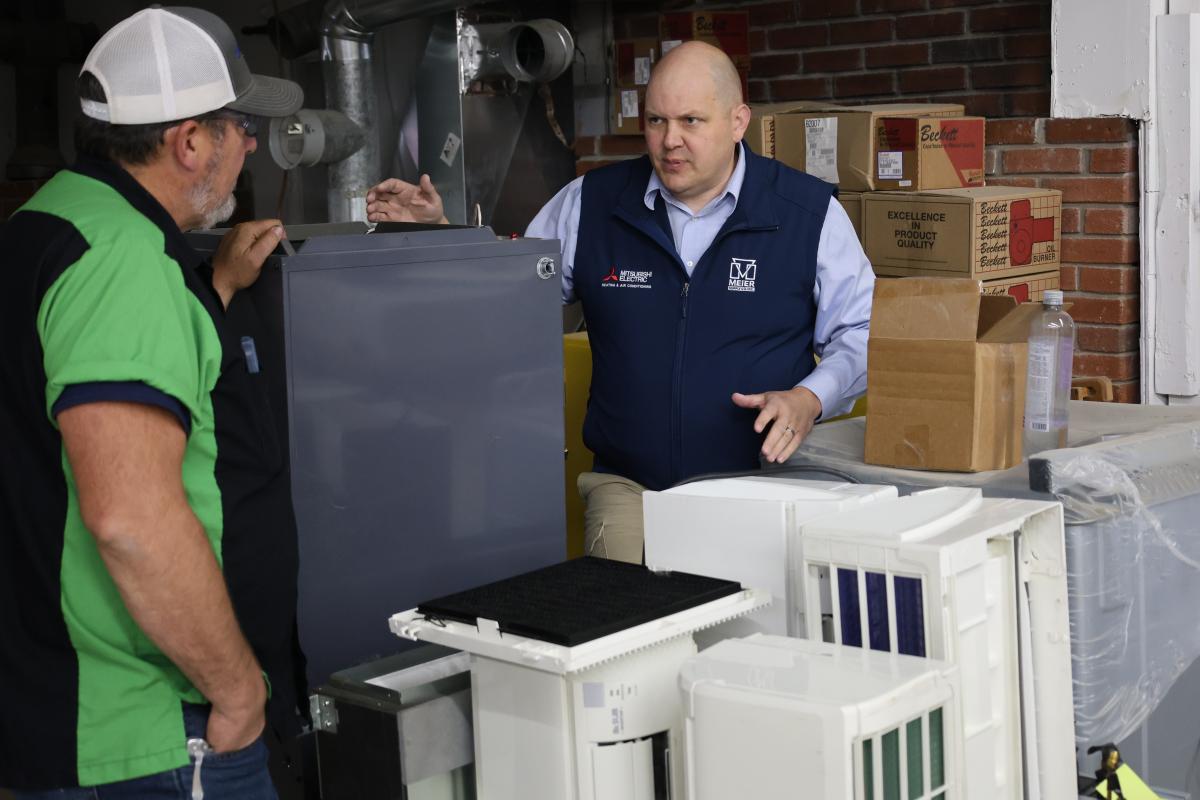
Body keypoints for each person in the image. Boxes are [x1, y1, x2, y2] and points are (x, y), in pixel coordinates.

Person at [366, 41, 873, 564]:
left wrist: (809, 399)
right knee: (623, 631)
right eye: (656, 120)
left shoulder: (808, 213)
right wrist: (440, 236)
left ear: (738, 121)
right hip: (629, 486)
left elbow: (861, 333)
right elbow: (506, 296)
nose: (670, 141)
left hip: (761, 487)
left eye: (691, 121)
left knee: (745, 639)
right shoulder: (592, 201)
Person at [0, 7, 305, 796]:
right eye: (238, 126)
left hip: (47, 706)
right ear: (190, 142)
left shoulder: (47, 224)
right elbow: (131, 521)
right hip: (139, 734)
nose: (249, 146)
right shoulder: (123, 264)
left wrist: (212, 290)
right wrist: (238, 692)